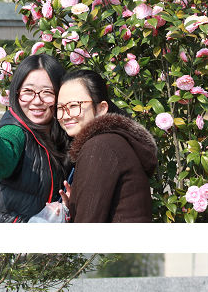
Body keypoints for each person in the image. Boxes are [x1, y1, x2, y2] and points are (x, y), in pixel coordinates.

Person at [0, 54, 72, 222]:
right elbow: (1, 162)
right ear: (16, 94)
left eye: (47, 92)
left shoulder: (64, 133)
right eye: (28, 91)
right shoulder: (14, 129)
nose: (37, 101)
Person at [56, 69, 157, 222]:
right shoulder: (111, 141)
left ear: (101, 108)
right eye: (60, 108)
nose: (66, 115)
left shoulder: (99, 147)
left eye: (74, 105)